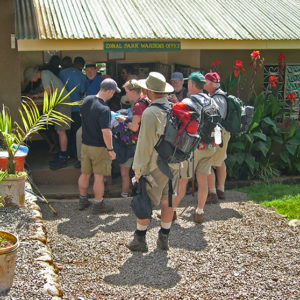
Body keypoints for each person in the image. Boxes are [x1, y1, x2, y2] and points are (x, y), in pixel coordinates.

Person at [127, 72, 179, 252]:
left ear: (149, 90)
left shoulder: (150, 113)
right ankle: (164, 238)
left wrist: (138, 170)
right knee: (168, 201)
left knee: (144, 201)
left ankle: (139, 239)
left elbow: (144, 145)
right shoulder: (174, 108)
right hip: (174, 163)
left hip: (155, 166)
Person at [170, 72, 217, 223]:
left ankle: (171, 212)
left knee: (183, 181)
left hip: (193, 148)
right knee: (203, 180)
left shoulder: (189, 101)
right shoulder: (212, 101)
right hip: (210, 146)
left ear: (191, 84)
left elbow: (176, 118)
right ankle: (199, 212)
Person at [78, 78, 120, 214]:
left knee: (84, 174)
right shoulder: (104, 109)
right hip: (99, 148)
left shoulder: (87, 100)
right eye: (113, 92)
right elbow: (106, 132)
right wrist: (111, 150)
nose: (113, 95)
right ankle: (98, 204)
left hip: (85, 144)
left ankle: (82, 200)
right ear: (109, 91)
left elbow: (81, 114)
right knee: (98, 176)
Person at [23, 66, 72, 169]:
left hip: (62, 103)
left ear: (33, 75)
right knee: (59, 131)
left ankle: (63, 155)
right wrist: (37, 95)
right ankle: (62, 153)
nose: (31, 81)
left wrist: (36, 95)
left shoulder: (45, 74)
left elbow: (47, 92)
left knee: (61, 131)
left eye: (30, 78)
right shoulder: (46, 74)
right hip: (60, 103)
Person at [114, 79, 150, 198]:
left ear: (134, 91)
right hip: (145, 142)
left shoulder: (138, 105)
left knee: (131, 172)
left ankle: (133, 196)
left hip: (135, 143)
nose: (126, 94)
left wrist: (124, 121)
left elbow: (134, 127)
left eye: (127, 91)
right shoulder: (147, 100)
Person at [204, 72, 230, 203]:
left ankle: (213, 193)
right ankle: (221, 190)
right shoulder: (220, 95)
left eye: (205, 81)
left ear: (210, 84)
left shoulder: (216, 98)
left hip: (218, 133)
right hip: (223, 132)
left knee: (208, 161)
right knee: (220, 161)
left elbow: (216, 117)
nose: (203, 83)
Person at [59, 56, 86, 160]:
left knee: (65, 132)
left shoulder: (62, 73)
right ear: (82, 66)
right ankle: (75, 154)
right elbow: (82, 92)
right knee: (76, 132)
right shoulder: (82, 76)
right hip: (77, 108)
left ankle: (66, 153)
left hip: (63, 107)